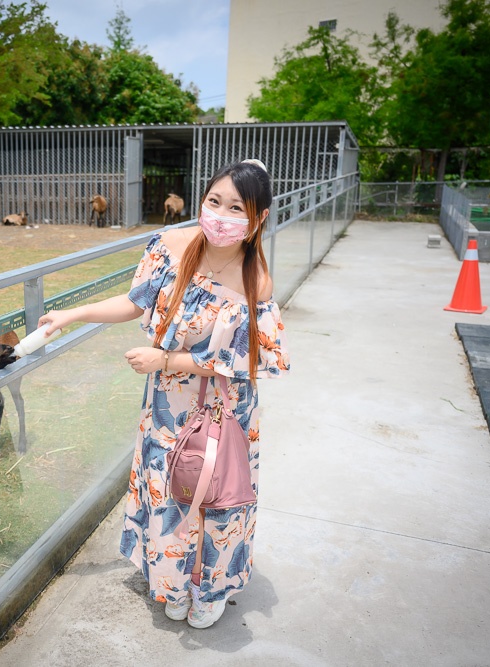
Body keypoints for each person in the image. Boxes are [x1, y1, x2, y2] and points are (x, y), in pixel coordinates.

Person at [38, 159, 290, 629]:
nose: (220, 213)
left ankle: (210, 589)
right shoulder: (172, 246)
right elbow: (133, 301)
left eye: (236, 207)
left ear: (257, 220)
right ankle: (173, 583)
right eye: (214, 201)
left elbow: (248, 363)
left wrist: (167, 361)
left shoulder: (255, 281)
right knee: (170, 492)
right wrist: (70, 314)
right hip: (167, 407)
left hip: (224, 408)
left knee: (218, 498)